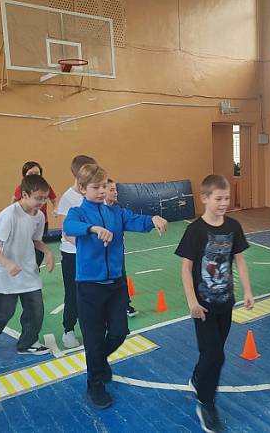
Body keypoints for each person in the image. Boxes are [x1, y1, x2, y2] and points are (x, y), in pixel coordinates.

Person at [64, 164, 167, 409]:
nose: (102, 191)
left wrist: (153, 219)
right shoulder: (78, 213)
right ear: (82, 189)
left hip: (116, 285)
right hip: (89, 286)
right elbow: (69, 227)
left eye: (104, 186)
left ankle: (99, 362)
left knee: (119, 332)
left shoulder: (116, 213)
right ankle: (95, 384)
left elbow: (136, 221)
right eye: (96, 187)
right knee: (93, 338)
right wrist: (93, 229)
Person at [176, 174, 254, 433]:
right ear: (205, 198)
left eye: (227, 198)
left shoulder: (233, 226)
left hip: (226, 303)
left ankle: (197, 378)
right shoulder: (195, 230)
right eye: (218, 199)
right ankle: (206, 403)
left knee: (212, 352)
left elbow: (240, 260)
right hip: (203, 307)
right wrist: (192, 302)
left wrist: (247, 291)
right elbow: (186, 269)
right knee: (216, 356)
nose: (224, 203)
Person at [0, 174, 55, 355]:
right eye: (38, 198)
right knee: (3, 312)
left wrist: (48, 252)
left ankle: (27, 344)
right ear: (24, 195)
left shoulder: (39, 216)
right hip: (4, 272)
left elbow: (36, 240)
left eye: (45, 198)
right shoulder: (9, 215)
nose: (42, 202)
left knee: (36, 310)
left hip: (27, 269)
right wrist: (7, 264)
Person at [56, 155, 97, 349]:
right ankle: (68, 329)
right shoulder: (68, 198)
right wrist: (83, 246)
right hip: (73, 254)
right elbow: (66, 231)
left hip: (92, 254)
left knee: (93, 291)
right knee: (73, 293)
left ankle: (92, 327)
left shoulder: (93, 194)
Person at [11, 161, 57, 267]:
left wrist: (55, 208)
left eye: (37, 174)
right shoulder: (21, 188)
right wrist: (15, 212)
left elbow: (54, 199)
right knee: (27, 245)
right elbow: (14, 199)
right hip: (26, 221)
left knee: (39, 244)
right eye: (30, 174)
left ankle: (35, 267)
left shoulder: (46, 187)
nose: (41, 202)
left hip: (42, 222)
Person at [104, 178, 138, 317]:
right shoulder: (97, 210)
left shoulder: (118, 208)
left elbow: (132, 220)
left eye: (115, 189)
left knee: (121, 276)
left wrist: (151, 220)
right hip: (104, 252)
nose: (115, 192)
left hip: (117, 250)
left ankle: (125, 305)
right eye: (112, 190)